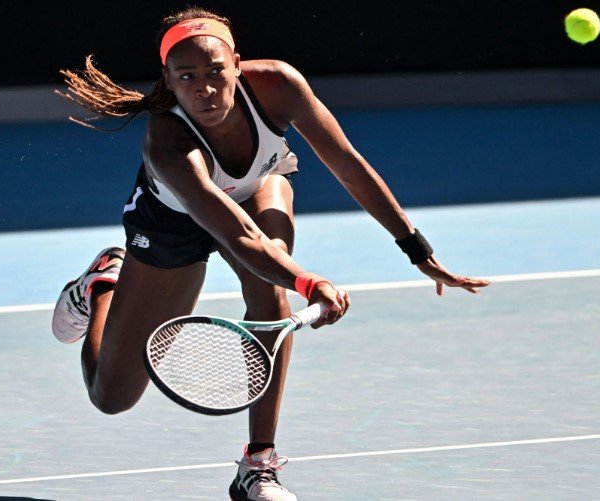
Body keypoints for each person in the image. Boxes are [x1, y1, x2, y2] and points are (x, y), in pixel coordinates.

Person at [52, 6, 490, 501]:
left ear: (237, 64)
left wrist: (416, 248)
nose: (204, 89)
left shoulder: (278, 85)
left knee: (268, 297)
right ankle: (103, 284)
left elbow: (347, 163)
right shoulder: (168, 141)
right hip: (173, 224)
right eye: (187, 77)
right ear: (169, 83)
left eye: (216, 71)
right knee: (111, 398)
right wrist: (308, 281)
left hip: (258, 189)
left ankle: (257, 465)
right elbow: (238, 237)